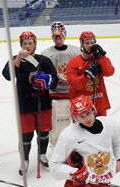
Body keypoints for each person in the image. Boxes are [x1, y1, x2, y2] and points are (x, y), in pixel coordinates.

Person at [2, 31, 58, 175]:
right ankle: (25, 160)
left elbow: (55, 80)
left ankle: (42, 154)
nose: (28, 46)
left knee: (43, 132)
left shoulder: (44, 60)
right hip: (24, 105)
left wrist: (47, 80)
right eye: (25, 43)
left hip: (43, 103)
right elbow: (7, 76)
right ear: (21, 45)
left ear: (35, 44)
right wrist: (18, 59)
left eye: (30, 43)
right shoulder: (15, 59)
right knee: (25, 135)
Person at [41, 21, 81, 149]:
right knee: (58, 124)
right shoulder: (46, 53)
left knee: (78, 123)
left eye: (60, 36)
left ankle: (77, 146)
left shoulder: (75, 51)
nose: (58, 39)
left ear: (65, 35)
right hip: (55, 95)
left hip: (73, 93)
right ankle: (57, 147)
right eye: (55, 36)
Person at [66, 31, 115, 117]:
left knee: (101, 129)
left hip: (99, 103)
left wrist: (102, 56)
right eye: (87, 43)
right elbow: (74, 84)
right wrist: (86, 76)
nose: (90, 45)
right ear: (82, 44)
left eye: (92, 43)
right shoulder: (74, 63)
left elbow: (109, 72)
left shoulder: (99, 59)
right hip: (81, 107)